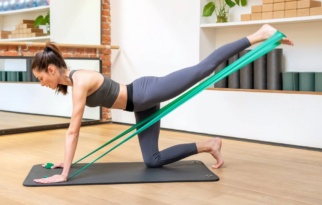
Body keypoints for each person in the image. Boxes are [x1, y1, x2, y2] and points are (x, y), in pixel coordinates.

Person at [33, 24, 294, 184]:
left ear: (53, 69)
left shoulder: (79, 82)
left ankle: (261, 33)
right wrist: (63, 163)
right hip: (141, 106)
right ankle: (210, 145)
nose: (42, 83)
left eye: (41, 78)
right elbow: (73, 131)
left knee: (204, 68)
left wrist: (65, 173)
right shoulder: (72, 83)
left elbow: (73, 131)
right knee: (153, 160)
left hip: (146, 91)